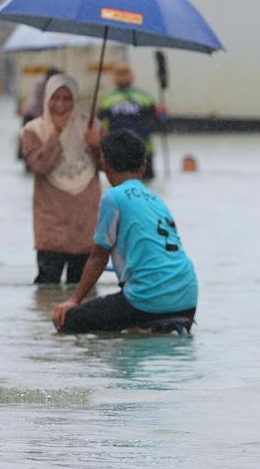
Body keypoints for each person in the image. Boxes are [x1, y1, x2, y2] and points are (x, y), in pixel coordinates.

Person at [52, 130, 198, 334]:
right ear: (144, 165)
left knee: (68, 321)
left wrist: (73, 300)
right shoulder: (156, 200)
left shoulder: (113, 197)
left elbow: (98, 258)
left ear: (105, 164)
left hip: (147, 299)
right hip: (187, 297)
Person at [20, 72, 102, 284]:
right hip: (51, 225)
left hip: (85, 222)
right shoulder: (33, 130)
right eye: (55, 98)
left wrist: (96, 145)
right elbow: (40, 166)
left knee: (82, 288)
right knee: (47, 286)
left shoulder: (92, 127)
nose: (60, 105)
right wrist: (55, 134)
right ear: (46, 99)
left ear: (75, 101)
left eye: (67, 99)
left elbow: (108, 168)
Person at [97, 63, 162, 181]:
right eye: (120, 74)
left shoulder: (145, 99)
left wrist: (162, 113)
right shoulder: (107, 101)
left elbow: (158, 122)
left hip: (141, 151)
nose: (123, 77)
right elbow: (159, 123)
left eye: (124, 73)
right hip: (121, 152)